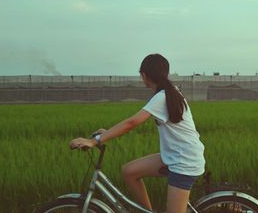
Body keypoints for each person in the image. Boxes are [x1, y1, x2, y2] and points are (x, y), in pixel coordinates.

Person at [69, 54, 205, 213]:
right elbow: (131, 123)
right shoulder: (170, 92)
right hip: (175, 155)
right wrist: (107, 133)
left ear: (144, 75)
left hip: (184, 162)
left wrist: (94, 141)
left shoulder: (162, 97)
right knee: (129, 171)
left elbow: (131, 123)